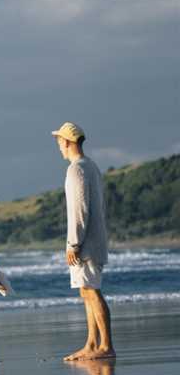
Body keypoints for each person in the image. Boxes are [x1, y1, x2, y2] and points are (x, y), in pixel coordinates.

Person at [52, 122, 115, 361]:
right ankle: (92, 344)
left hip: (85, 243)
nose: (58, 146)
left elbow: (80, 209)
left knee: (92, 292)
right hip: (94, 239)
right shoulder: (91, 166)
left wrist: (73, 243)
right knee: (86, 291)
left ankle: (105, 345)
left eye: (59, 142)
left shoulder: (76, 169)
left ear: (67, 142)